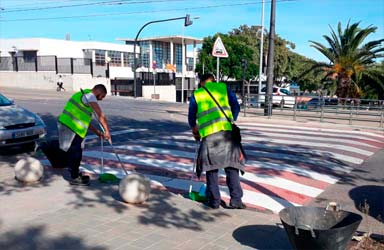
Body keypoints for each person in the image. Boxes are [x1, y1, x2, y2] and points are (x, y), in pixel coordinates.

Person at [188, 73, 246, 209]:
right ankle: (236, 200)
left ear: (202, 82)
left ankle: (214, 201)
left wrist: (195, 131)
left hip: (209, 137)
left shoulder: (197, 94)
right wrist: (232, 120)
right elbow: (236, 107)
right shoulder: (223, 87)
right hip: (227, 133)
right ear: (213, 80)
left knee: (211, 169)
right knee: (232, 167)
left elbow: (191, 117)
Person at [57, 84, 111, 185]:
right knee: (75, 152)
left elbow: (84, 120)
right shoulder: (90, 96)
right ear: (98, 93)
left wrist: (97, 132)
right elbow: (100, 115)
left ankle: (75, 173)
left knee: (74, 150)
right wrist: (107, 131)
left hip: (70, 125)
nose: (101, 99)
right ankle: (74, 177)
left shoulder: (83, 95)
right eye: (102, 97)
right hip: (71, 126)